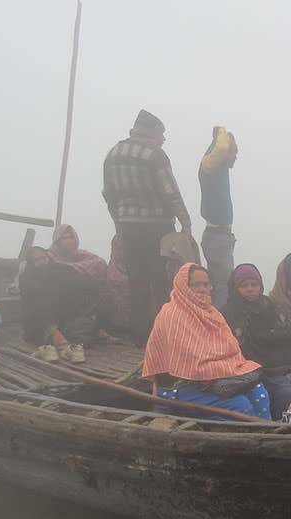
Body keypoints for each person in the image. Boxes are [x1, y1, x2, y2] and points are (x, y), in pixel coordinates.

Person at [102, 109, 192, 345]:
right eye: (162, 134)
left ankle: (141, 336)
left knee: (137, 281)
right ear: (151, 133)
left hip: (128, 227)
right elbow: (170, 192)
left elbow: (108, 193)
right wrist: (185, 222)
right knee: (161, 279)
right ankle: (164, 334)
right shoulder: (155, 155)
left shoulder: (113, 154)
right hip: (158, 228)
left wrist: (118, 221)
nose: (163, 140)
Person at [142, 263, 269, 420]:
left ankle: (265, 434)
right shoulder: (172, 313)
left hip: (212, 380)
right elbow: (193, 361)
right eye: (196, 285)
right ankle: (250, 441)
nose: (203, 289)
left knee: (259, 391)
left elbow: (230, 349)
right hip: (179, 386)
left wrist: (226, 369)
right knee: (240, 406)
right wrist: (223, 369)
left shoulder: (211, 313)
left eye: (206, 284)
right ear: (183, 286)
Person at [221, 263, 291, 418]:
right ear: (235, 288)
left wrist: (271, 338)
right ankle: (278, 427)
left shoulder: (269, 305)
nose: (250, 289)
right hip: (251, 368)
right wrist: (272, 338)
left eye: (254, 284)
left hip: (280, 364)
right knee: (284, 392)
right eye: (244, 285)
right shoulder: (229, 313)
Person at [19, 246, 97, 363]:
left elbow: (80, 290)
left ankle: (71, 348)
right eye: (37, 260)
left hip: (64, 316)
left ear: (48, 257)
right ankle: (61, 346)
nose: (42, 261)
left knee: (82, 324)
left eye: (43, 257)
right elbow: (33, 305)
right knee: (45, 327)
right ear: (31, 263)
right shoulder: (27, 278)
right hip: (42, 318)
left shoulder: (61, 270)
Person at [50, 224, 129, 337]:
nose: (69, 241)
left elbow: (99, 262)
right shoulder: (49, 257)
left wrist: (77, 269)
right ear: (57, 240)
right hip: (63, 299)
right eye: (65, 237)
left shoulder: (81, 255)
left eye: (71, 237)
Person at [199, 126, 239, 308]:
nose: (235, 156)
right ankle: (221, 325)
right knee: (223, 285)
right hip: (217, 237)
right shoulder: (210, 167)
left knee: (220, 284)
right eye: (234, 152)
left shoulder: (217, 170)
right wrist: (221, 132)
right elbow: (222, 147)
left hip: (219, 236)